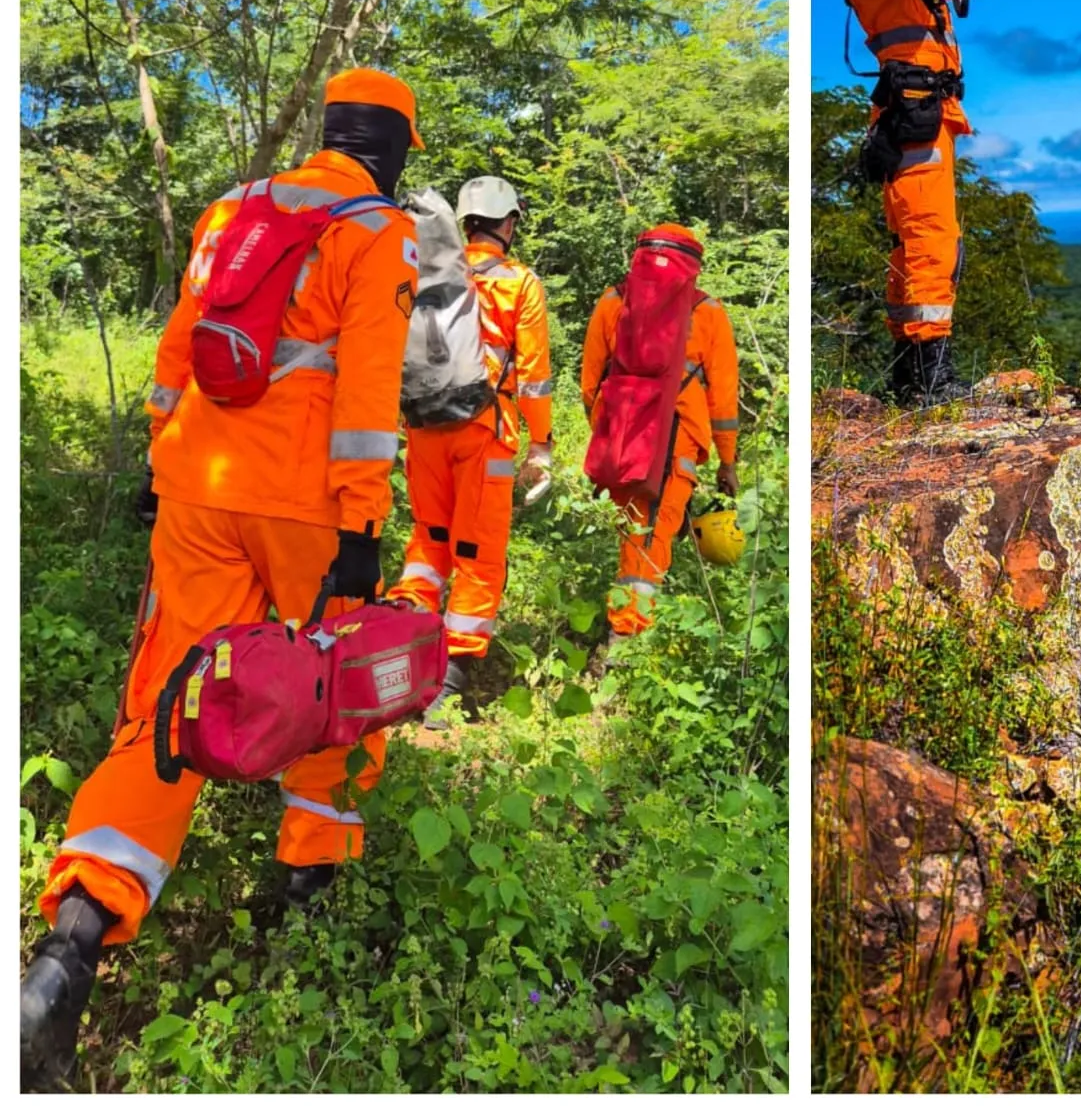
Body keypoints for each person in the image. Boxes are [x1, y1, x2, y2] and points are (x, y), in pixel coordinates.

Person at [21, 68, 424, 1090]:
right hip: (305, 507)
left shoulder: (233, 209)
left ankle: (70, 947)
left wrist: (166, 463)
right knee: (336, 688)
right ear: (395, 149)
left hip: (196, 485)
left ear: (330, 131)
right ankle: (303, 879)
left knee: (163, 703)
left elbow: (178, 349)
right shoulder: (376, 229)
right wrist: (364, 521)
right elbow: (370, 386)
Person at [845, 0, 1008, 405]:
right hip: (911, 110)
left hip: (930, 109)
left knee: (921, 241)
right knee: (929, 240)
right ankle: (929, 379)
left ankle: (908, 375)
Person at [390, 178, 553, 723]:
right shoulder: (519, 283)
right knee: (478, 556)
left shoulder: (426, 273)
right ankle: (448, 683)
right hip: (486, 433)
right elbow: (532, 378)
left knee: (428, 541)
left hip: (423, 427)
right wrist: (543, 444)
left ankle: (397, 656)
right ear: (508, 224)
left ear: (465, 224)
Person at [581, 224, 739, 637]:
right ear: (694, 269)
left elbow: (590, 381)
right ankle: (628, 637)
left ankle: (626, 627)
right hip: (679, 442)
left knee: (632, 533)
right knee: (651, 540)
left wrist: (605, 433)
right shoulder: (708, 313)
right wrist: (728, 461)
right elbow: (723, 401)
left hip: (621, 434)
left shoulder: (614, 300)